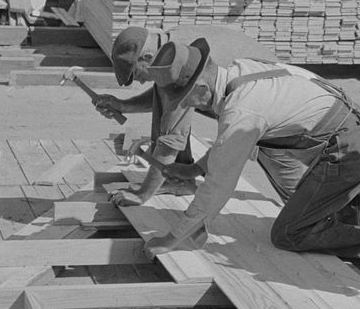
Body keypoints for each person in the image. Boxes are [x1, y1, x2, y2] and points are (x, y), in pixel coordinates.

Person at [139, 37, 360, 294]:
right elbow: (231, 145)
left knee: (289, 233)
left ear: (201, 88)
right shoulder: (242, 70)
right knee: (359, 246)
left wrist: (173, 237)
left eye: (185, 100)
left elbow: (219, 183)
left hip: (346, 150)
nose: (188, 106)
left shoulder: (241, 110)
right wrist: (194, 169)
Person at [91, 26, 279, 206]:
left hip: (276, 104)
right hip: (253, 93)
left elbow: (170, 141)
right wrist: (124, 105)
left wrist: (141, 195)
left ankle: (177, 180)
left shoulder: (183, 64)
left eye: (137, 73)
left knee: (293, 183)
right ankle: (178, 181)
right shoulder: (170, 50)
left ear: (147, 57)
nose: (140, 82)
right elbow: (165, 95)